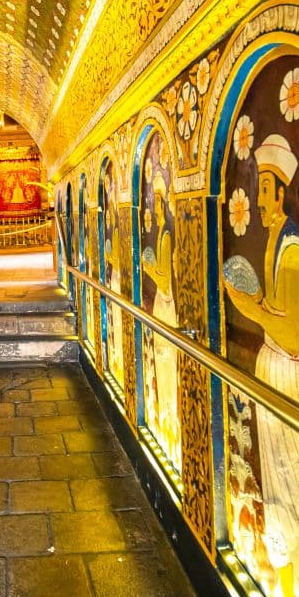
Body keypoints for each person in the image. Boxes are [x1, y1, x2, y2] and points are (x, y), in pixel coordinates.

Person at [224, 134, 299, 597]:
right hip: (273, 368)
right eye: (258, 187)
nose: (260, 197)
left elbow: (289, 328)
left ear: (282, 191)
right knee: (280, 492)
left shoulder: (291, 245)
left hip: (291, 370)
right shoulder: (273, 239)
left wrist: (246, 308)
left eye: (266, 188)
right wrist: (255, 304)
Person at [140, 173, 179, 469]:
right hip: (161, 307)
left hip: (166, 307)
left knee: (168, 366)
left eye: (154, 203)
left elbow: (165, 281)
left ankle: (171, 430)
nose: (151, 208)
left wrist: (146, 267)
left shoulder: (166, 234)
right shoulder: (163, 231)